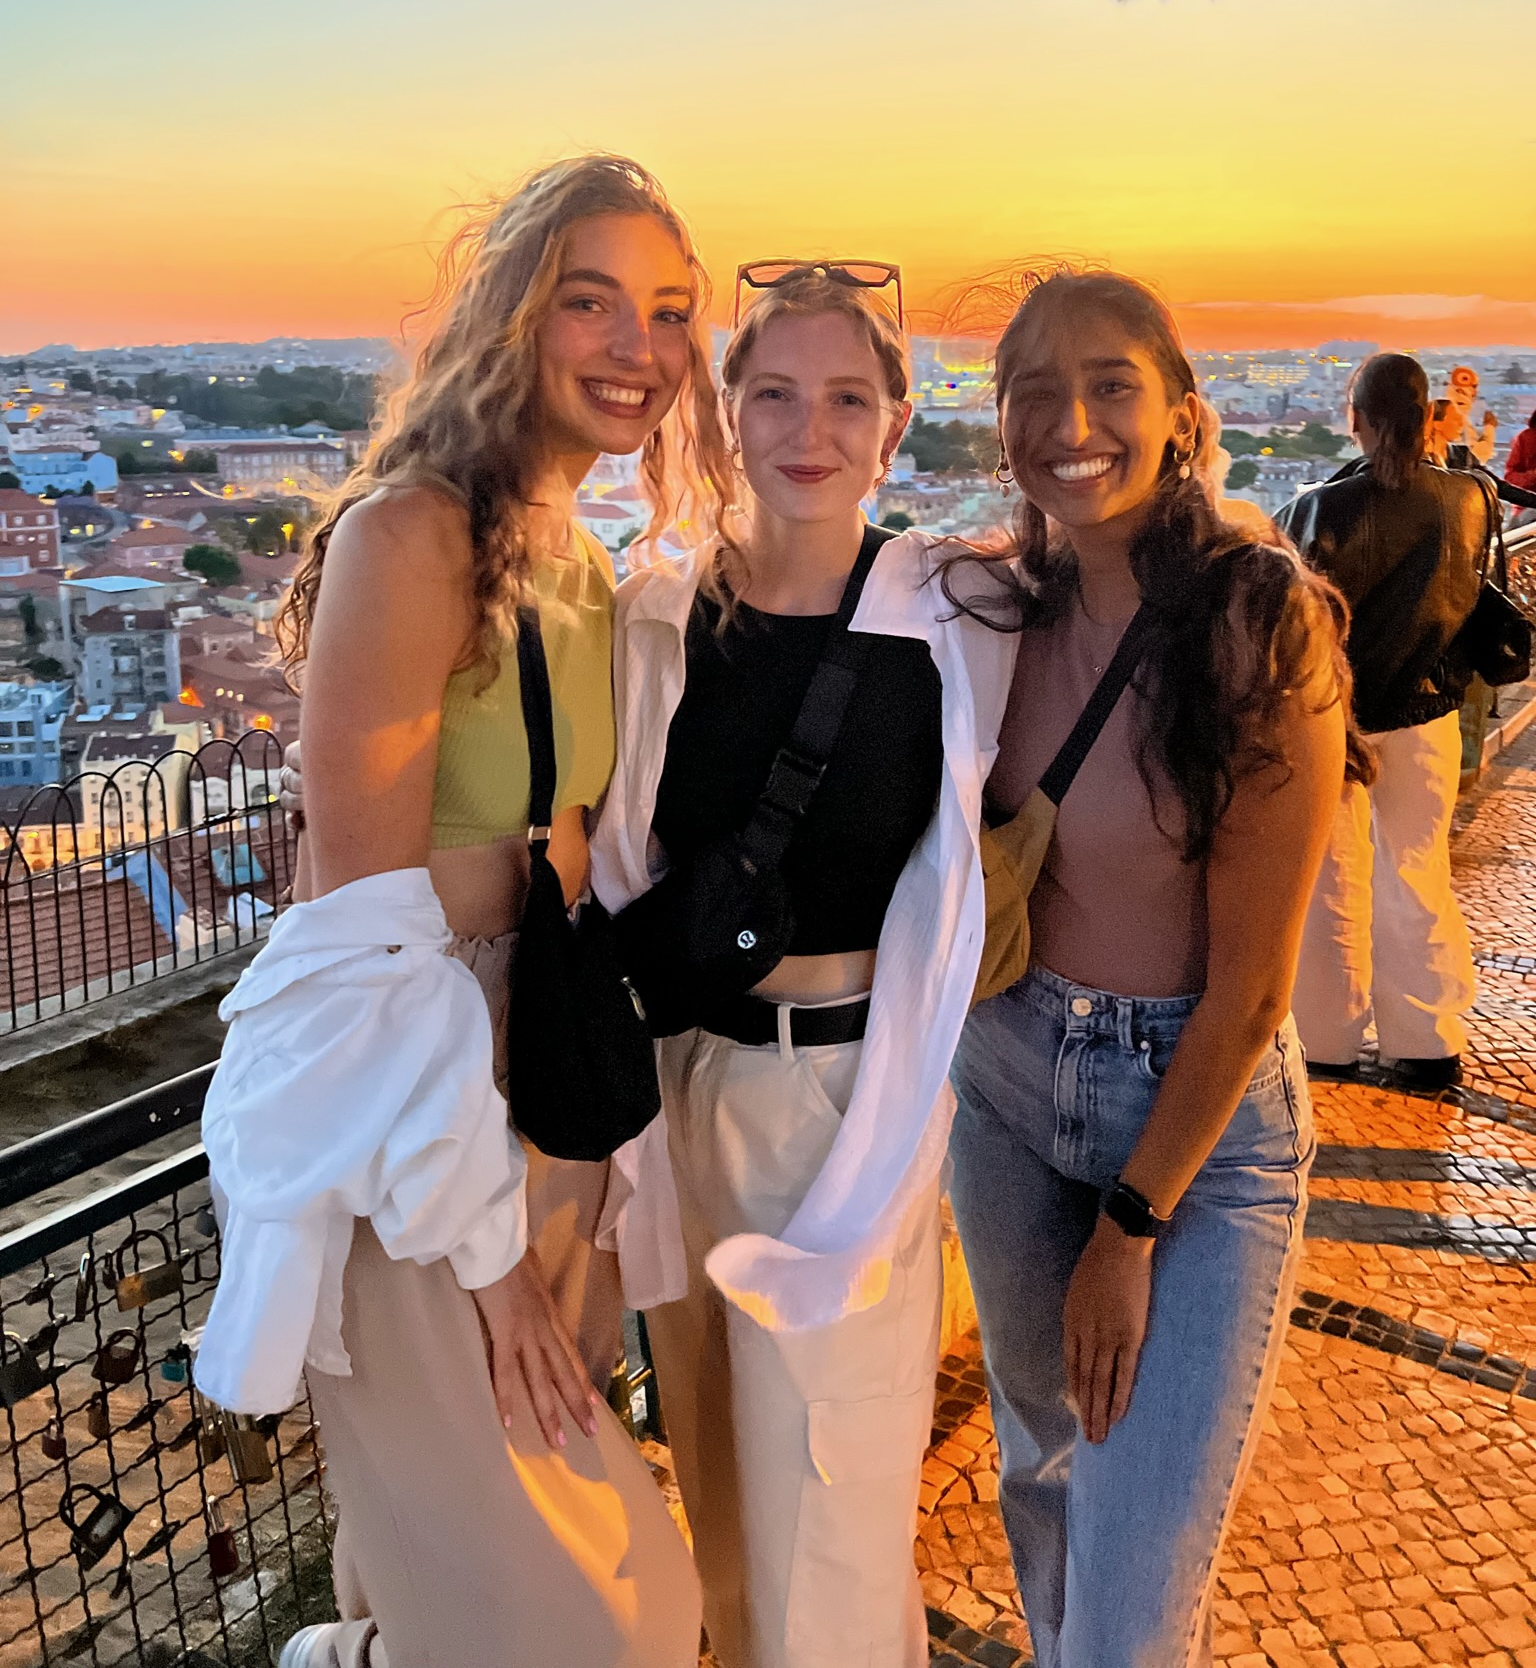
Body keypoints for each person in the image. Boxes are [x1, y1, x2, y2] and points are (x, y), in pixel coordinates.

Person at [195, 156, 722, 1668]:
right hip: (409, 1117)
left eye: (669, 312)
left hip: (542, 1084)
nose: (639, 344)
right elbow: (358, 931)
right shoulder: (411, 537)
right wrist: (483, 1255)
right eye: (593, 301)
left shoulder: (580, 559)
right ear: (512, 318)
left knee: (459, 1572)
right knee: (597, 1620)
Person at [591, 267, 1017, 1668]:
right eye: (772, 391)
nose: (808, 427)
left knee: (831, 1498)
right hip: (686, 1086)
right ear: (725, 414)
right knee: (713, 1472)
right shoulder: (658, 620)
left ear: (896, 426)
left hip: (853, 1099)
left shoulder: (956, 622)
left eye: (846, 397)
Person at [943, 271, 1351, 1668]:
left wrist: (1130, 1228)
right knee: (1042, 1483)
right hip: (1003, 1087)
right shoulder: (992, 607)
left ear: (1181, 408)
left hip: (1193, 1134)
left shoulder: (1257, 623)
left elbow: (1252, 990)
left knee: (1130, 1606)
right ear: (998, 422)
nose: (1073, 418)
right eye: (1036, 388)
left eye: (1110, 381)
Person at [1277, 352, 1489, 1094]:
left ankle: (1328, 1038)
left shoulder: (1319, 507)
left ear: (1355, 417)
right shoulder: (1467, 499)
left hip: (1341, 718)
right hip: (1430, 713)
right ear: (1426, 414)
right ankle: (1427, 1041)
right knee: (1416, 870)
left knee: (1333, 877)